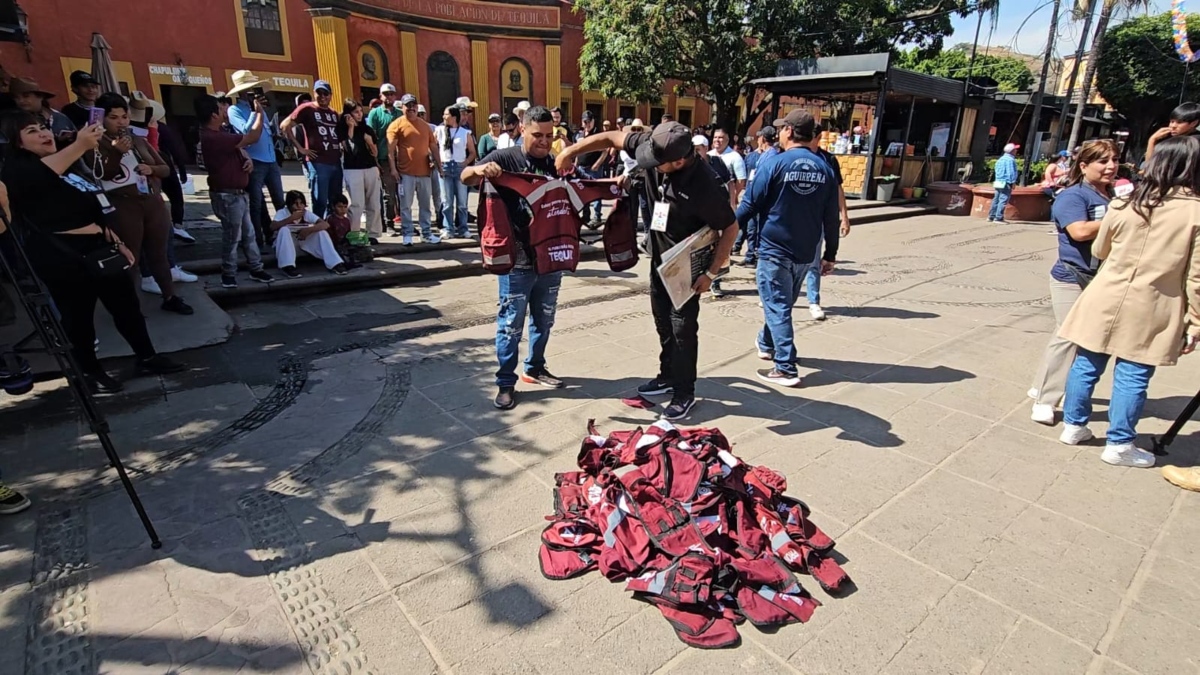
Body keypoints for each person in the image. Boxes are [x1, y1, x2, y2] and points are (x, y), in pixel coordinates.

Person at [557, 121, 739, 420]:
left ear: (679, 161)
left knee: (682, 329)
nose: (651, 164)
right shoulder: (655, 144)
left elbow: (731, 228)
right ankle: (667, 376)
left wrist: (710, 273)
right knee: (663, 323)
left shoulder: (703, 185)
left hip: (686, 268)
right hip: (658, 259)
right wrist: (572, 151)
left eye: (658, 164)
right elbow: (611, 138)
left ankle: (684, 392)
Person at [0, 112, 184, 393]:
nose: (43, 134)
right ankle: (88, 370)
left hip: (99, 246)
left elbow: (92, 200)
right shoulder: (18, 169)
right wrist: (80, 144)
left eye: (43, 128)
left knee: (126, 307)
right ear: (18, 142)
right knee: (78, 317)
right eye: (32, 131)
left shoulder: (67, 164)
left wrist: (115, 240)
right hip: (62, 256)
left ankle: (147, 356)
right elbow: (40, 177)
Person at [1056, 135, 1200, 468]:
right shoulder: (1194, 212)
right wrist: (1195, 319)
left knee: (1087, 363)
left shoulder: (1125, 202)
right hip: (1154, 302)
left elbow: (1099, 250)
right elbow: (1196, 277)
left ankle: (1074, 425)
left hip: (1106, 293)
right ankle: (1120, 442)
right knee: (1133, 372)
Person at [461, 106, 565, 411]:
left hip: (550, 257)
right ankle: (506, 382)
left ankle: (535, 367)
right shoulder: (505, 157)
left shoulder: (555, 163)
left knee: (544, 319)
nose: (545, 142)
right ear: (522, 128)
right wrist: (481, 170)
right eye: (538, 135)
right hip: (517, 259)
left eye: (549, 135)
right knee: (511, 324)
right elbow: (466, 175)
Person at [735, 110, 839, 388]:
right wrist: (830, 255)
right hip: (805, 252)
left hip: (774, 250)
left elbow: (749, 205)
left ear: (790, 132)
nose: (778, 133)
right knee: (779, 305)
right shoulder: (824, 167)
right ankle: (766, 342)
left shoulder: (775, 164)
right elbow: (831, 217)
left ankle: (785, 367)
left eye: (782, 129)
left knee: (778, 306)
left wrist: (725, 231)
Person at [1028, 140, 1118, 426]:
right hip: (1071, 276)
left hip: (1101, 277)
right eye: (1103, 162)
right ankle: (1046, 400)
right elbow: (1078, 231)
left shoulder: (1113, 194)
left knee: (1064, 334)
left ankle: (1042, 386)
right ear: (1084, 166)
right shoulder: (1073, 197)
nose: (1111, 167)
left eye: (1114, 160)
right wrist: (1119, 219)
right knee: (1069, 335)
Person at [91, 93, 192, 316]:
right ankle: (129, 305)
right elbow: (103, 173)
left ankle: (170, 296)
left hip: (152, 202)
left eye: (124, 116)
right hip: (124, 204)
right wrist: (116, 152)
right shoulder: (96, 144)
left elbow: (165, 168)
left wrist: (151, 169)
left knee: (159, 254)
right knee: (130, 258)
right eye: (114, 117)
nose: (120, 122)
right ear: (102, 119)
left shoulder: (138, 140)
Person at [195, 94, 275, 289]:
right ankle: (228, 273)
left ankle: (255, 268)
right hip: (227, 195)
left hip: (237, 193)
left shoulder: (219, 133)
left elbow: (239, 148)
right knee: (233, 236)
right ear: (213, 114)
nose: (225, 109)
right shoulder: (214, 136)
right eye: (221, 108)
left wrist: (245, 159)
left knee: (248, 233)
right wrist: (259, 113)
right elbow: (253, 137)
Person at [227, 70, 286, 249]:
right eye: (251, 90)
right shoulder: (234, 110)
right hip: (254, 160)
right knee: (256, 204)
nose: (254, 92)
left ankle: (282, 235)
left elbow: (267, 133)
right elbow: (245, 131)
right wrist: (254, 112)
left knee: (279, 200)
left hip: (270, 160)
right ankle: (257, 240)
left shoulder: (262, 109)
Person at [805, 135, 852, 321]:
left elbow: (838, 190)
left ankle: (813, 301)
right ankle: (779, 297)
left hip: (819, 220)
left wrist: (844, 216)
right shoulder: (791, 156)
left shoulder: (829, 160)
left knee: (814, 262)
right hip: (794, 220)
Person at [281, 80, 342, 217]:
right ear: (314, 93)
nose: (322, 96)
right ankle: (317, 228)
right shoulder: (307, 108)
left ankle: (331, 230)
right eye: (319, 93)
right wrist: (301, 148)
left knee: (335, 199)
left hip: (335, 161)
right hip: (318, 161)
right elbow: (285, 126)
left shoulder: (333, 113)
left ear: (331, 95)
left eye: (325, 93)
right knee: (320, 199)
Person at [387, 94, 441, 245]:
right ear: (402, 107)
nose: (411, 108)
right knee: (405, 206)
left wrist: (439, 166)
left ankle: (426, 233)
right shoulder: (396, 125)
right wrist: (393, 169)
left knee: (425, 205)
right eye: (407, 105)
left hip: (425, 173)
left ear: (417, 107)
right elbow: (390, 151)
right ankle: (407, 233)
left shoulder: (425, 126)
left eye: (413, 105)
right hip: (405, 173)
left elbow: (433, 147)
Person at [691, 134, 735, 298]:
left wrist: (732, 203)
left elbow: (729, 182)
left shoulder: (716, 162)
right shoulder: (691, 166)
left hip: (718, 213)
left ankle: (715, 281)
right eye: (693, 149)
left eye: (698, 149)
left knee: (719, 248)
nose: (695, 153)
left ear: (705, 148)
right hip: (699, 215)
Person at [271, 190, 347, 277]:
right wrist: (291, 218)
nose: (299, 206)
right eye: (296, 203)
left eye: (301, 203)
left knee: (321, 232)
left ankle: (335, 263)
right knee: (284, 230)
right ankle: (287, 266)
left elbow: (325, 224)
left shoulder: (306, 213)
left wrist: (309, 230)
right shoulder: (283, 212)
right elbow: (272, 227)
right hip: (286, 246)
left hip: (303, 244)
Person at [339, 99, 382, 244]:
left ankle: (373, 233)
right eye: (355, 112)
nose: (359, 115)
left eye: (360, 111)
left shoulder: (367, 129)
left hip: (370, 167)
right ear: (348, 114)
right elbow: (349, 148)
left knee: (374, 202)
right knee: (357, 203)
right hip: (352, 169)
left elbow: (375, 153)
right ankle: (354, 233)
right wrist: (351, 127)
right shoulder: (342, 129)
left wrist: (369, 142)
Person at [735, 126, 780, 265]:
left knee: (758, 229)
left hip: (759, 199)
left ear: (763, 139)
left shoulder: (770, 156)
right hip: (756, 196)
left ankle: (758, 256)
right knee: (751, 228)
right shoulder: (763, 155)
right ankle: (751, 255)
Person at [435, 105, 477, 238]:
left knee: (462, 202)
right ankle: (448, 228)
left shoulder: (465, 133)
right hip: (445, 167)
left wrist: (465, 163)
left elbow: (472, 152)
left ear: (454, 117)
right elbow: (432, 146)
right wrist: (436, 162)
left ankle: (463, 228)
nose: (443, 117)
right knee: (447, 201)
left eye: (446, 114)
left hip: (459, 167)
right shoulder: (440, 130)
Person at [367, 83, 403, 232]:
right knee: (387, 193)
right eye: (386, 94)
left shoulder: (400, 113)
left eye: (391, 94)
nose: (389, 96)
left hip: (399, 158)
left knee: (400, 193)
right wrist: (375, 160)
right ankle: (387, 223)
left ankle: (398, 220)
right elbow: (370, 137)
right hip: (382, 157)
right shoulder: (375, 113)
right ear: (380, 96)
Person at [9, 78, 74, 141]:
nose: (21, 101)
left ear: (40, 96)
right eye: (16, 97)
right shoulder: (14, 122)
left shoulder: (60, 118)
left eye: (26, 96)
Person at [574, 111, 606, 228]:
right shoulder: (579, 135)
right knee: (583, 193)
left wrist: (597, 164)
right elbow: (577, 152)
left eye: (589, 121)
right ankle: (586, 215)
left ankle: (597, 216)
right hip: (581, 168)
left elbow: (604, 151)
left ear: (593, 121)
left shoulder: (597, 134)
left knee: (596, 193)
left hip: (593, 168)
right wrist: (576, 165)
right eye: (585, 121)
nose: (587, 124)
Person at [989, 143, 1019, 223]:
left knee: (996, 199)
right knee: (1003, 199)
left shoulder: (1001, 159)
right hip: (1006, 182)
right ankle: (998, 217)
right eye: (1015, 149)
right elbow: (1010, 172)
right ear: (1012, 151)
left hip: (998, 181)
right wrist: (1012, 182)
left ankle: (991, 216)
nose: (1016, 151)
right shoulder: (1010, 160)